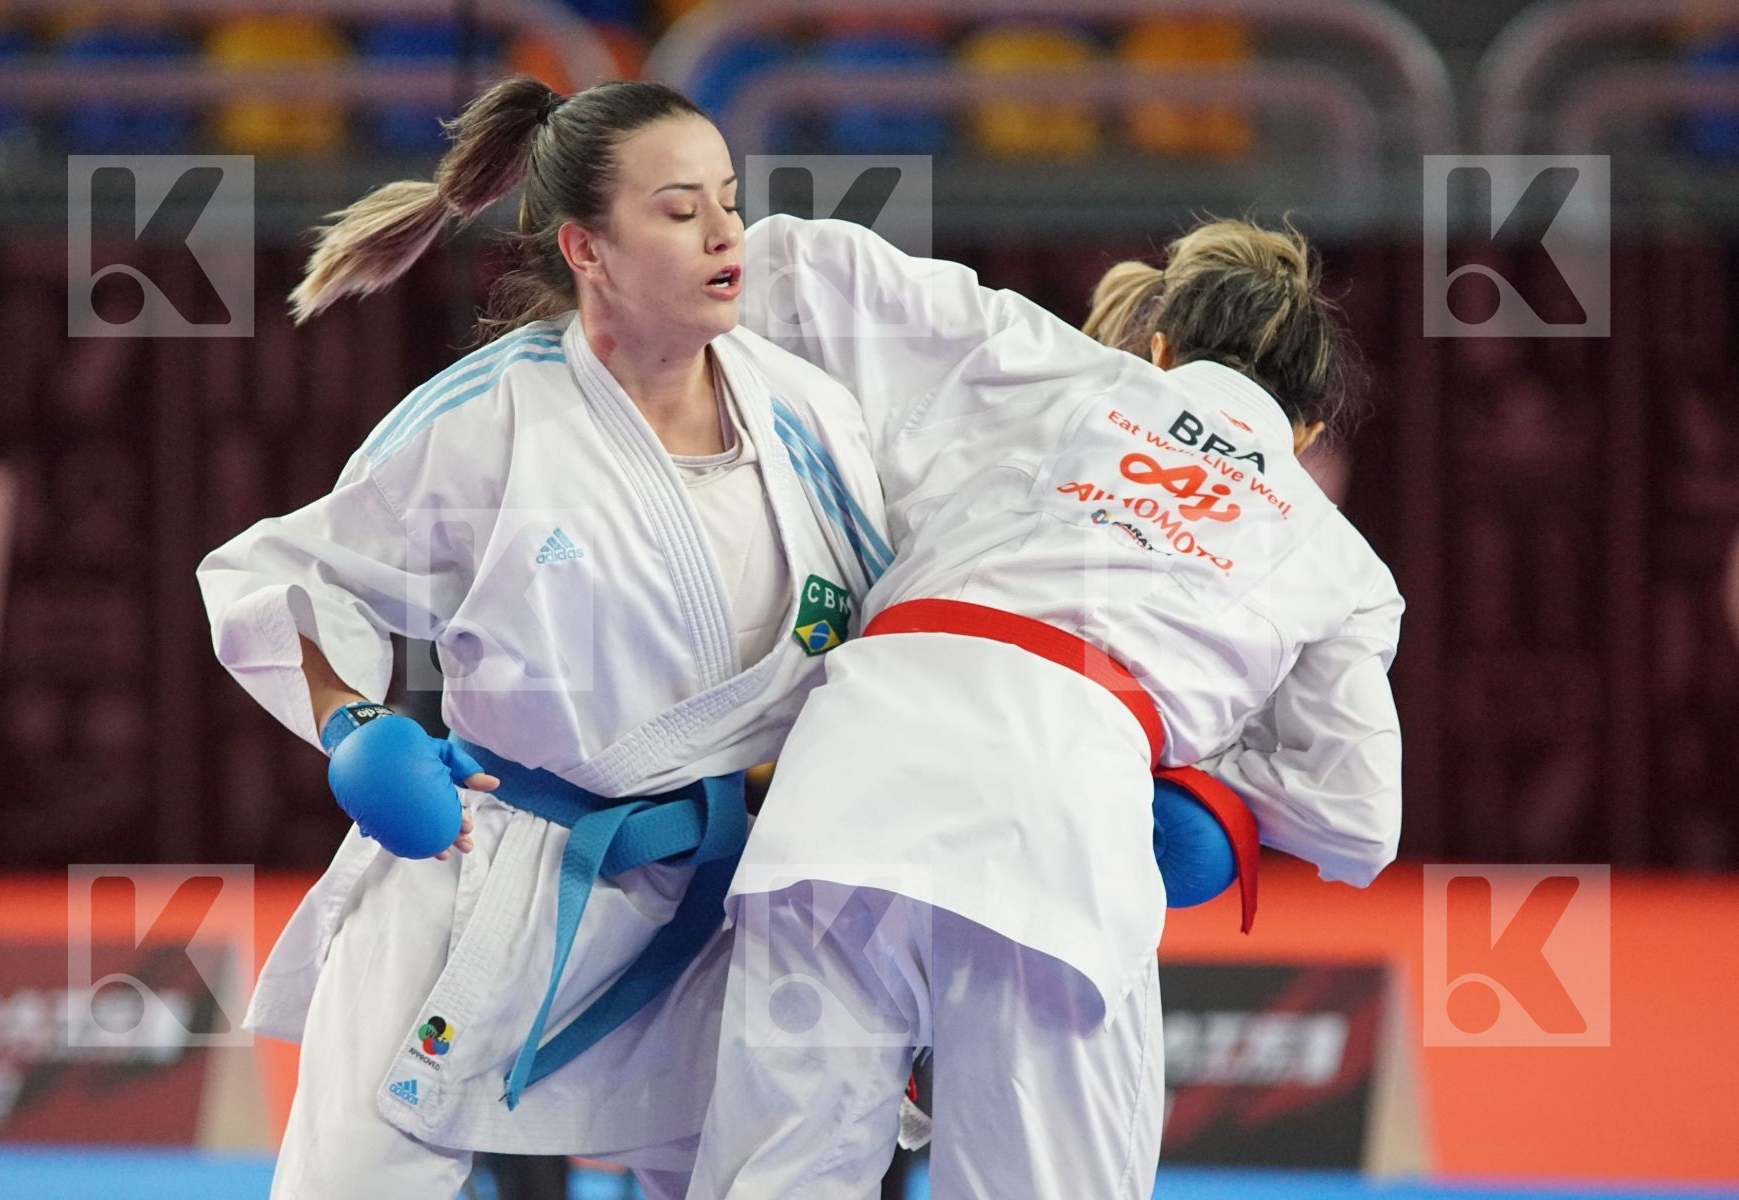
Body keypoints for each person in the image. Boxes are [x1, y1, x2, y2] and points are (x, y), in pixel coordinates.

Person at [196, 78, 890, 1200]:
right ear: (586, 248)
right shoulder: (491, 417)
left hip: (718, 897)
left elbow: (891, 617)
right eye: (680, 210)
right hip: (493, 869)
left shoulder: (810, 411)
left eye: (729, 199)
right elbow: (277, 574)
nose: (727, 234)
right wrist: (356, 728)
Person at [684, 214, 1404, 1198]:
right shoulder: (1340, 559)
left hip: (845, 785)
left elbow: (804, 263)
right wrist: (1200, 791)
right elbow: (1357, 823)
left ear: (1158, 349)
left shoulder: (1045, 356)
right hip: (1059, 832)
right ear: (1309, 431)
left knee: (773, 1181)